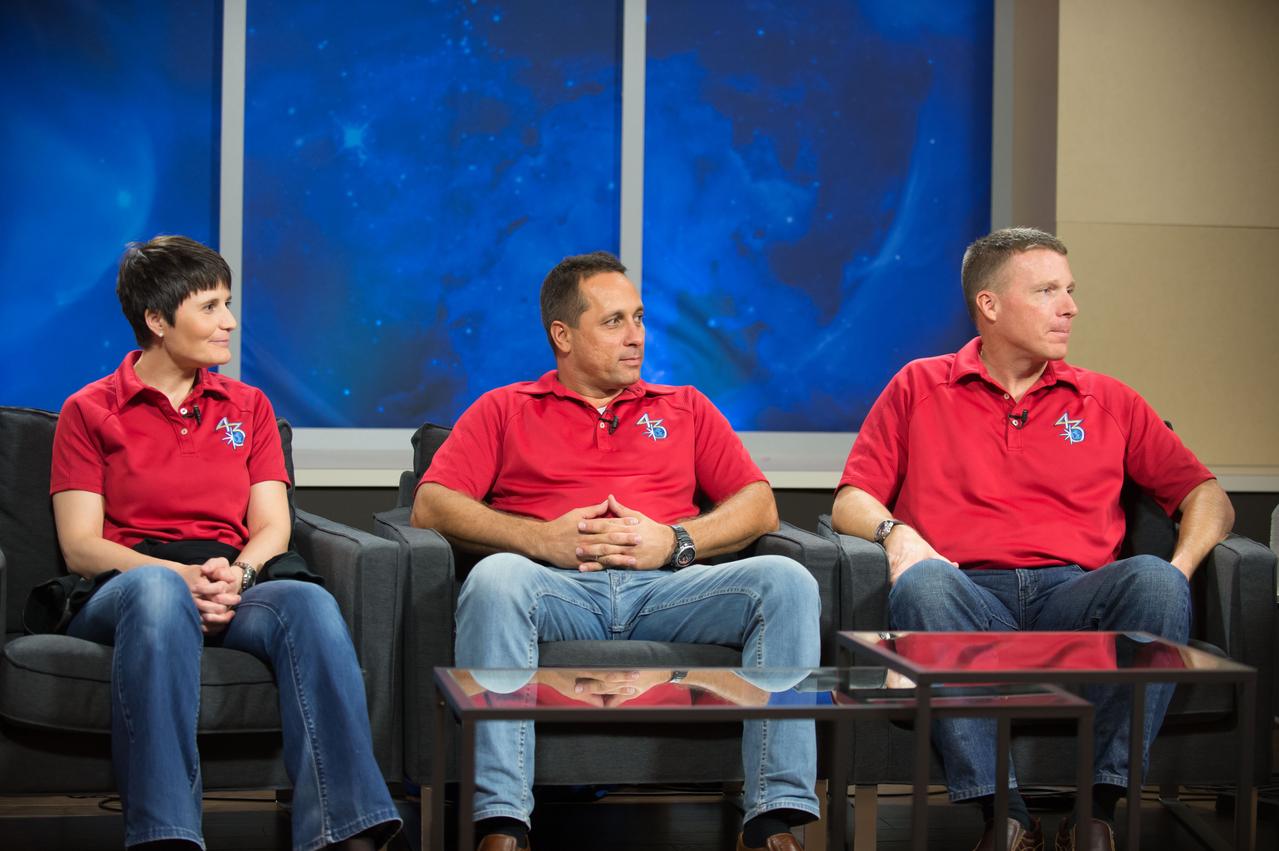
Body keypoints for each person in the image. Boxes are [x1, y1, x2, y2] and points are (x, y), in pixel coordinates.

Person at [831, 227, 1233, 851]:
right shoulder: (918, 385)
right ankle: (1005, 814)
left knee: (1154, 577)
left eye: (1070, 291)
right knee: (924, 582)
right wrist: (896, 533)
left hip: (1078, 598)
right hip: (964, 590)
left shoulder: (1109, 399)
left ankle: (1096, 808)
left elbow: (1206, 495)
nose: (1069, 307)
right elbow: (852, 498)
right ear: (989, 305)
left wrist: (1178, 570)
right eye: (1047, 291)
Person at [411, 251, 822, 851]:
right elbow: (432, 506)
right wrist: (538, 538)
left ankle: (771, 819)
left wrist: (675, 541)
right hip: (555, 588)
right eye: (614, 322)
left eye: (639, 319)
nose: (636, 338)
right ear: (563, 335)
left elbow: (759, 504)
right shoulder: (505, 408)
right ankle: (501, 823)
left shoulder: (684, 408)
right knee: (497, 579)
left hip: (669, 591)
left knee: (787, 581)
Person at [50, 236, 401, 851]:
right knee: (158, 591)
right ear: (157, 320)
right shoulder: (89, 410)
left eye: (228, 303)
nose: (229, 322)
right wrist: (174, 577)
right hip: (126, 586)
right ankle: (167, 837)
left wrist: (233, 576)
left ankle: (347, 831)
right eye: (210, 307)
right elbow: (81, 545)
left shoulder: (249, 406)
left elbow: (273, 525)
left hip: (230, 577)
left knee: (309, 605)